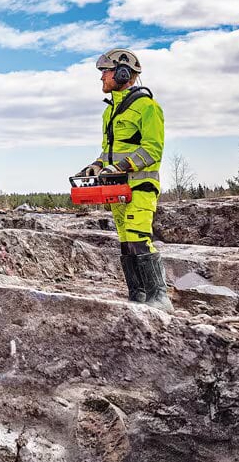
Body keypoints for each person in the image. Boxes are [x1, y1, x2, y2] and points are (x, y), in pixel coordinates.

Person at [78, 49, 172, 312]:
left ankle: (160, 297)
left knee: (139, 236)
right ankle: (138, 296)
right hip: (117, 188)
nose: (102, 78)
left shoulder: (148, 108)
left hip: (140, 185)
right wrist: (96, 165)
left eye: (105, 72)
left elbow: (153, 149)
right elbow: (107, 149)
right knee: (126, 240)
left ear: (123, 73)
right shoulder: (110, 112)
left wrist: (121, 165)